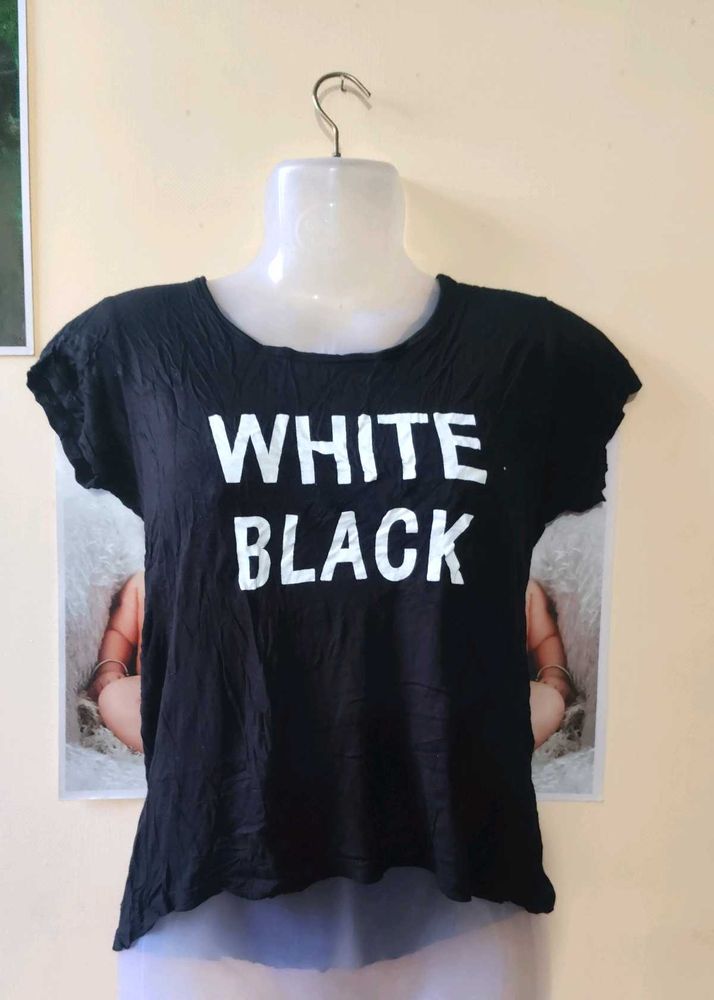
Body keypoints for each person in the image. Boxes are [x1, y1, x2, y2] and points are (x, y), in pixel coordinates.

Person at [83, 572, 575, 754]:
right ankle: (190, 748)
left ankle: (475, 750)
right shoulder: (145, 585)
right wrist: (111, 668)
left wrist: (554, 675)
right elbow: (120, 634)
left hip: (471, 699)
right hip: (190, 700)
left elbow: (546, 637)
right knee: (119, 699)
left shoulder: (519, 587)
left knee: (543, 704)